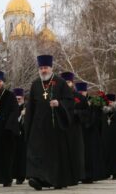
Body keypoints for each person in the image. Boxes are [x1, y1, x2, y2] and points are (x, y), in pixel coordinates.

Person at [25, 55, 74, 190]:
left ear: (51, 68)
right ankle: (38, 179)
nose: (43, 70)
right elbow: (31, 107)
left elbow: (69, 101)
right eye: (41, 68)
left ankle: (53, 180)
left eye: (46, 68)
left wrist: (59, 103)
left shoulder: (60, 82)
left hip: (55, 126)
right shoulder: (35, 84)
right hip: (38, 126)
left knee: (53, 155)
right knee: (36, 152)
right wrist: (28, 126)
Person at [60, 72, 85, 186]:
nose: (66, 84)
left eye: (68, 82)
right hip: (62, 128)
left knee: (75, 153)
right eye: (64, 82)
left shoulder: (79, 97)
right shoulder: (57, 96)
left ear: (72, 83)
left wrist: (75, 113)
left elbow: (86, 112)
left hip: (75, 129)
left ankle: (75, 176)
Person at [77, 85, 105, 183]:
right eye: (79, 92)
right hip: (81, 131)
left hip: (92, 132)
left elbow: (98, 114)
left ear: (86, 92)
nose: (81, 94)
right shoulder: (76, 101)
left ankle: (91, 175)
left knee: (91, 154)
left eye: (82, 92)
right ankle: (82, 175)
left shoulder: (93, 101)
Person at [12, 88, 27, 185]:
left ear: (23, 98)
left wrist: (24, 115)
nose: (18, 99)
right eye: (16, 98)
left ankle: (21, 176)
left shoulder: (26, 107)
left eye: (20, 98)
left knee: (22, 156)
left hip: (23, 135)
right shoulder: (12, 108)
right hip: (13, 135)